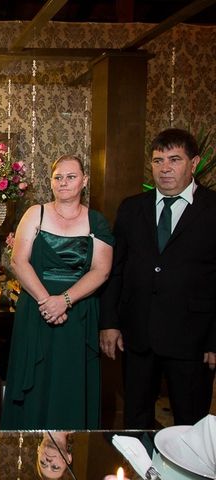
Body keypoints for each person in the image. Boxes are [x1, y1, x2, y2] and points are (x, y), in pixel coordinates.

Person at [100, 128, 216, 428]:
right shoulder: (131, 208)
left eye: (174, 159)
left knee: (191, 427)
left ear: (194, 163)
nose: (164, 168)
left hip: (193, 340)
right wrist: (110, 322)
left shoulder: (212, 209)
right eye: (157, 160)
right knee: (135, 423)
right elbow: (116, 270)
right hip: (138, 337)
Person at [1, 155, 113, 429]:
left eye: (71, 177)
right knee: (35, 379)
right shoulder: (34, 213)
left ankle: (71, 445)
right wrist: (46, 301)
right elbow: (18, 261)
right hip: (36, 310)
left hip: (78, 313)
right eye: (58, 177)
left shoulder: (96, 222)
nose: (63, 182)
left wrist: (64, 300)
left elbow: (101, 270)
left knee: (69, 380)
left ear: (84, 181)